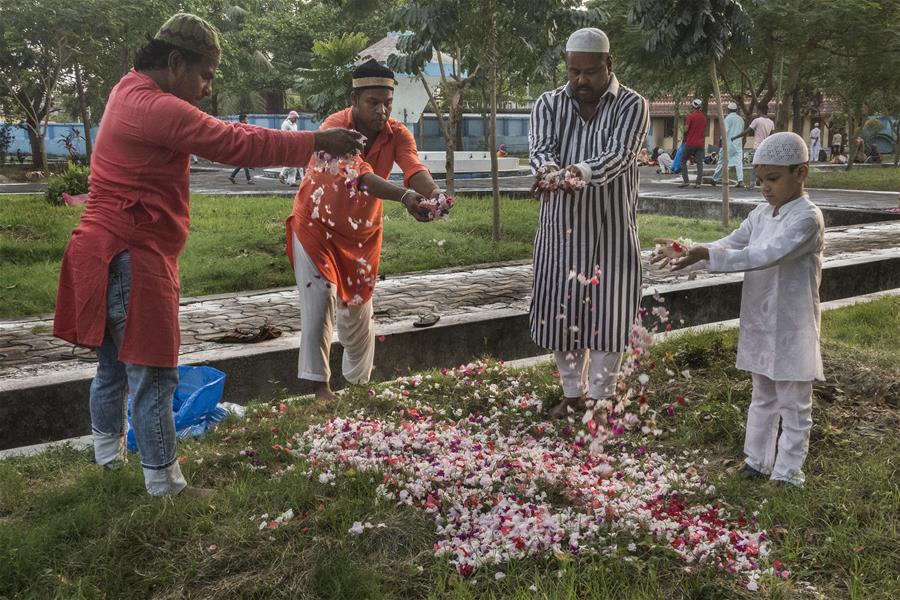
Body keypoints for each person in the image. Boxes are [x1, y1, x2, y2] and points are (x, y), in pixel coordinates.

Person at [52, 13, 364, 497]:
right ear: (175, 62)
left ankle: (108, 463)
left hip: (106, 250)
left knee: (113, 367)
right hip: (131, 251)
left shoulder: (127, 90)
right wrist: (317, 141)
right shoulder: (152, 104)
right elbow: (233, 140)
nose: (205, 88)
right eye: (204, 76)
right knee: (155, 373)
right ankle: (164, 485)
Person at [655, 132, 824, 487]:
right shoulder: (761, 213)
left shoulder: (807, 219)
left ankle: (788, 473)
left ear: (802, 172)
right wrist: (684, 251)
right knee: (762, 394)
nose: (765, 187)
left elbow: (763, 255)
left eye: (773, 179)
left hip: (793, 326)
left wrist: (706, 254)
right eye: (760, 179)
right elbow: (730, 243)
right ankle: (757, 461)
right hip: (760, 320)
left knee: (793, 402)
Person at [286, 59, 442, 402]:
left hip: (361, 234)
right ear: (354, 100)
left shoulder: (397, 133)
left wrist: (434, 194)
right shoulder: (334, 129)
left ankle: (357, 386)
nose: (382, 110)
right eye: (373, 102)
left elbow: (413, 168)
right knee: (319, 298)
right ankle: (320, 389)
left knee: (358, 311)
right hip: (316, 225)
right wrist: (404, 196)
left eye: (387, 102)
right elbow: (359, 176)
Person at [528, 27, 649, 418]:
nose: (580, 80)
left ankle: (599, 399)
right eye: (573, 71)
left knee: (609, 314)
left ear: (608, 65)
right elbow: (541, 150)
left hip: (610, 230)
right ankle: (572, 395)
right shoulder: (548, 104)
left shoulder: (632, 105)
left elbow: (619, 156)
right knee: (560, 313)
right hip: (559, 230)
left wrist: (574, 173)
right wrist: (548, 171)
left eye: (590, 72)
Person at [734, 104, 775, 190]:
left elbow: (746, 131)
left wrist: (735, 137)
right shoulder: (771, 122)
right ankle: (763, 183)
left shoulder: (757, 120)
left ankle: (752, 185)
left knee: (756, 166)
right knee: (764, 166)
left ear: (759, 111)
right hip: (766, 147)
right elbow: (772, 136)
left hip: (758, 147)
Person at [711, 101, 745, 188]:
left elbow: (724, 132)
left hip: (727, 144)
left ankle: (715, 179)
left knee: (722, 162)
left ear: (728, 110)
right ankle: (740, 180)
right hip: (737, 144)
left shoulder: (727, 119)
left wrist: (720, 142)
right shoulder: (741, 119)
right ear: (736, 110)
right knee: (738, 163)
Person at [679, 98, 707, 188]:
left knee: (683, 160)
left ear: (693, 106)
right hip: (700, 144)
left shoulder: (690, 116)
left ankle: (686, 181)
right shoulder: (704, 117)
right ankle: (698, 183)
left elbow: (686, 129)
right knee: (699, 163)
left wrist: (683, 131)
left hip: (690, 143)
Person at [228, 114, 254, 184]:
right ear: (243, 120)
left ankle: (232, 176)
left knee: (242, 164)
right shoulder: (240, 127)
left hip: (245, 147)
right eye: (246, 119)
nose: (247, 120)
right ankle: (249, 180)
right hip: (242, 147)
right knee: (245, 163)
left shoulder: (245, 127)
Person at [278, 111, 301, 185]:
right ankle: (282, 174)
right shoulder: (285, 124)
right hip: (288, 145)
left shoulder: (295, 125)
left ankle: (291, 181)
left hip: (294, 144)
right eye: (295, 118)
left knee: (294, 164)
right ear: (291, 117)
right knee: (291, 162)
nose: (296, 119)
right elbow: (284, 135)